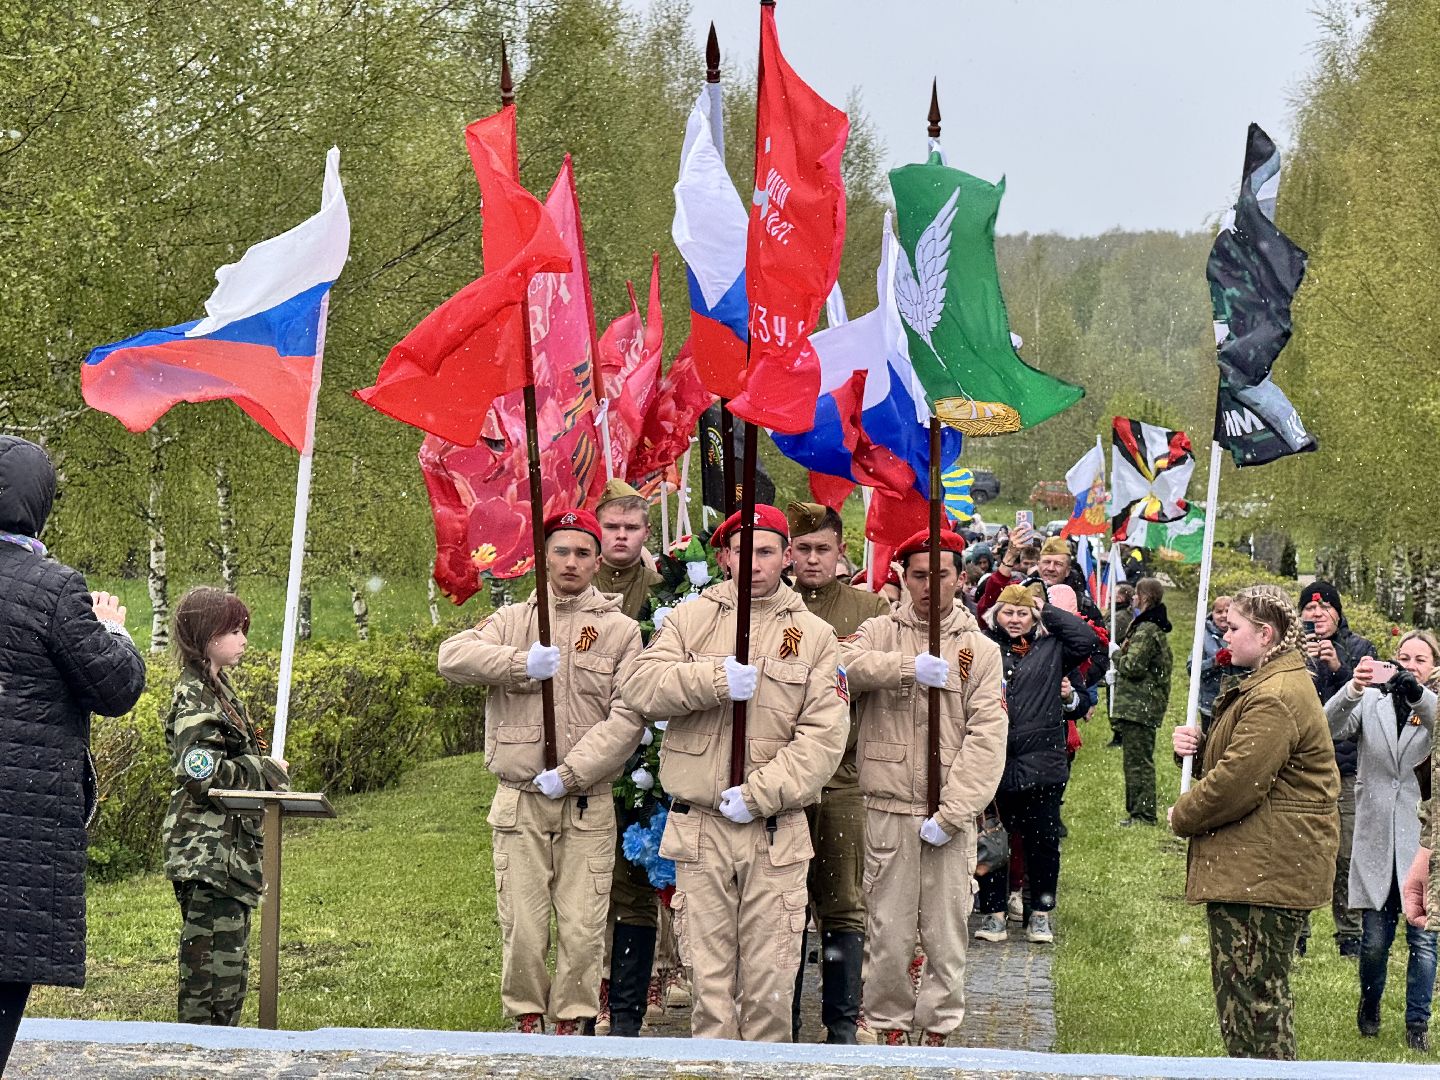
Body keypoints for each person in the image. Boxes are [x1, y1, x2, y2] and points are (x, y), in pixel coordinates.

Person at [621, 504, 848, 1042]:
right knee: (710, 982)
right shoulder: (688, 619)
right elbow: (640, 687)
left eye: (767, 551)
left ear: (787, 556)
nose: (755, 562)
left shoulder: (815, 636)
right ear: (724, 557)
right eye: (743, 551)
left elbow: (824, 736)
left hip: (774, 828)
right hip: (700, 827)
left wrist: (761, 794)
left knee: (770, 981)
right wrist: (713, 681)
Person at [439, 508, 646, 1035]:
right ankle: (527, 1017)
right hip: (521, 800)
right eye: (561, 551)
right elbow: (452, 656)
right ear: (544, 557)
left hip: (585, 802)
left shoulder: (620, 631)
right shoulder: (513, 620)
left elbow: (627, 717)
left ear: (598, 562)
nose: (571, 562)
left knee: (582, 926)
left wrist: (574, 772)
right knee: (524, 925)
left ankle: (572, 1023)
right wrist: (518, 664)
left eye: (582, 553)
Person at [0, 436, 147, 1072]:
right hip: (21, 821)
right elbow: (115, 688)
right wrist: (112, 628)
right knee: (7, 967)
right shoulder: (54, 589)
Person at [841, 527, 1007, 1047]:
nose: (930, 585)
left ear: (960, 577)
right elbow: (840, 668)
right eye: (918, 575)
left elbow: (987, 739)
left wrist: (954, 812)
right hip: (888, 804)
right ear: (903, 578)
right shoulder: (877, 632)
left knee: (946, 932)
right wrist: (904, 668)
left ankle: (938, 1025)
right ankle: (887, 1021)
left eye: (941, 575)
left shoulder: (980, 650)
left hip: (947, 813)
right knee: (887, 928)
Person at [1170, 584, 1339, 1060]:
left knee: (1255, 1010)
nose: (1225, 635)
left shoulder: (1275, 695)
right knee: (1248, 1003)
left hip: (1264, 871)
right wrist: (1198, 748)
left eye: (1234, 627)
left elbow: (1237, 785)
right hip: (1259, 867)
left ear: (1265, 634)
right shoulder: (1267, 685)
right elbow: (1245, 763)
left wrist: (1181, 815)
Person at [785, 502, 889, 1044]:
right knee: (785, 904)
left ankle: (843, 1023)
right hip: (782, 781)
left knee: (843, 901)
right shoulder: (771, 608)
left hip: (844, 777)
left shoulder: (869, 610)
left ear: (840, 551)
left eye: (822, 548)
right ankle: (784, 1020)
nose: (812, 559)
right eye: (802, 549)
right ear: (787, 554)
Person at [164, 587, 290, 1025]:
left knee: (229, 974)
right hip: (207, 853)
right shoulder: (194, 696)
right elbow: (202, 774)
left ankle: (220, 1052)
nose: (243, 639)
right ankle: (201, 1059)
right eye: (233, 630)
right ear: (205, 635)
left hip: (229, 854)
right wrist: (266, 771)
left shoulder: (219, 689)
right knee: (210, 978)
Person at [1325, 631, 1438, 1051]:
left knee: (1423, 942)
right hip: (1374, 838)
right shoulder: (1370, 701)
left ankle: (1417, 1026)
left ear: (1434, 667)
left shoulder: (1431, 705)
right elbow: (1329, 725)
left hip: (1422, 842)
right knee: (1373, 942)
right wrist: (1353, 687)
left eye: (1421, 659)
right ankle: (1369, 1006)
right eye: (1404, 657)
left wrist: (1417, 694)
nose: (1410, 664)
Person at [973, 581, 1099, 945]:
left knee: (1042, 842)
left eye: (1022, 613)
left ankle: (1040, 914)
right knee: (993, 840)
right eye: (1008, 612)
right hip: (993, 760)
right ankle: (994, 913)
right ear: (996, 615)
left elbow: (1087, 641)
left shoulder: (1053, 647)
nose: (1015, 620)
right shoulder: (984, 646)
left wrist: (1047, 610)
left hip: (1042, 762)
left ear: (1034, 617)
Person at [1299, 580, 1375, 958]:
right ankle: (1297, 929)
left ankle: (1349, 932)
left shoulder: (1360, 648)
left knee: (1346, 853)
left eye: (1324, 608)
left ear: (1338, 612)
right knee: (1302, 849)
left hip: (1345, 765)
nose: (1317, 615)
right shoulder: (1291, 650)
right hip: (1301, 765)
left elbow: (1371, 703)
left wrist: (1339, 668)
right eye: (1310, 610)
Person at [1109, 577, 1173, 826]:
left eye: (1136, 594)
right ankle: (1137, 811)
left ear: (1144, 598)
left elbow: (1134, 666)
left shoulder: (1146, 629)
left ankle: (1143, 814)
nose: (1133, 598)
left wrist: (1115, 654)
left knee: (1138, 763)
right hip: (1141, 704)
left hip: (1140, 705)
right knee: (1135, 760)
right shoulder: (1150, 626)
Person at [594, 479, 662, 622]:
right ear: (596, 529)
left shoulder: (661, 588)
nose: (621, 535)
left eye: (632, 528)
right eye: (611, 527)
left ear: (646, 532)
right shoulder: (576, 584)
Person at [974, 540, 1041, 619]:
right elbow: (992, 596)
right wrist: (1010, 555)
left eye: (1033, 564)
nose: (1029, 567)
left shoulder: (1042, 585)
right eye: (1026, 563)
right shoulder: (1013, 582)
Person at [1194, 595, 1233, 732]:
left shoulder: (1241, 633)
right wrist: (1214, 662)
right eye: (1219, 611)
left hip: (1234, 703)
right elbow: (1192, 669)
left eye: (1228, 611)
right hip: (1210, 703)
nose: (1224, 615)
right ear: (1212, 614)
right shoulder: (1203, 636)